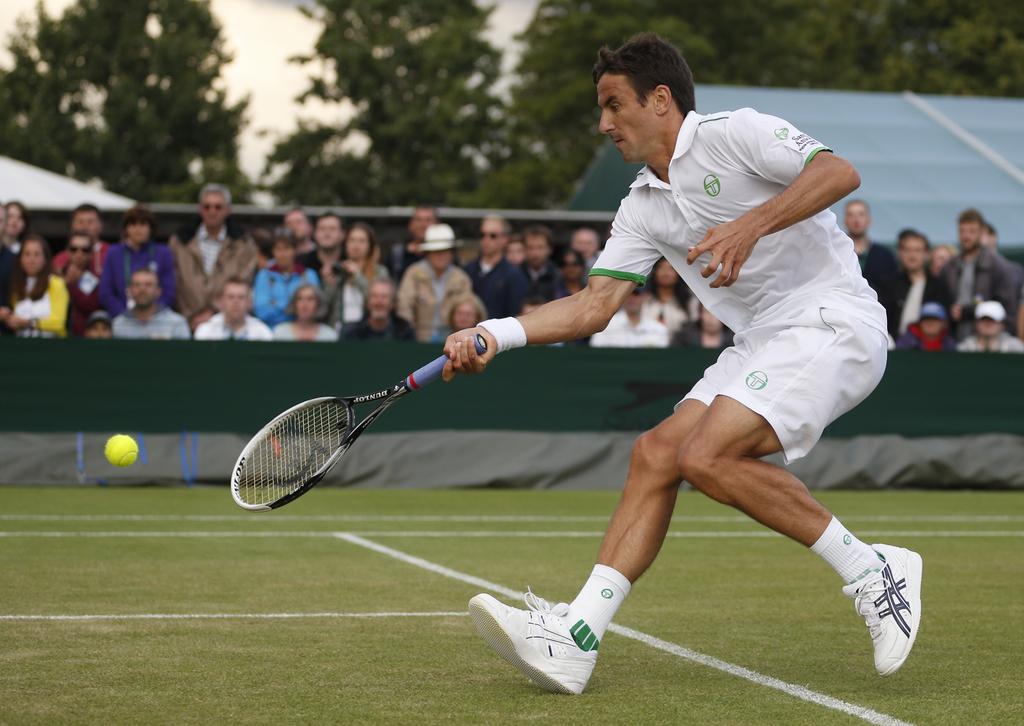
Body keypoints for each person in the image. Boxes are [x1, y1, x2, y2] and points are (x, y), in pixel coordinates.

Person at [443, 33, 921, 694]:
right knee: (657, 453)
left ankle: (873, 571)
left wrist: (750, 225)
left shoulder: (738, 133)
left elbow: (839, 173)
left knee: (707, 456)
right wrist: (495, 333)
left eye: (614, 105)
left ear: (660, 100)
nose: (603, 123)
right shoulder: (641, 206)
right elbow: (594, 305)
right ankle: (578, 637)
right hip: (761, 340)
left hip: (834, 320)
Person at [168, 183, 257, 331]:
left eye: (218, 207)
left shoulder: (244, 243)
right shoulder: (179, 241)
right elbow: (175, 281)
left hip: (227, 324)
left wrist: (213, 314)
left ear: (228, 210)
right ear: (199, 209)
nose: (212, 211)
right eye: (207, 206)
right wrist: (191, 317)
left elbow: (244, 281)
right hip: (185, 322)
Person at [940, 208, 1017, 340]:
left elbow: (1005, 305)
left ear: (981, 233)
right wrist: (950, 310)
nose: (966, 236)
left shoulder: (997, 266)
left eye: (971, 231)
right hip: (953, 338)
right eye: (962, 231)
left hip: (986, 340)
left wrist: (969, 311)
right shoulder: (949, 267)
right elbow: (941, 299)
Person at [396, 223, 473, 343]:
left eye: (445, 250)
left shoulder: (461, 278)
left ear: (452, 253)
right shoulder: (414, 273)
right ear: (428, 252)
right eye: (436, 251)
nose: (441, 255)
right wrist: (410, 332)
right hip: (419, 341)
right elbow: (404, 305)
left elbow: (467, 309)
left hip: (454, 341)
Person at [99, 205, 176, 317]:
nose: (138, 229)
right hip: (122, 318)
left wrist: (151, 314)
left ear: (151, 228)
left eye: (143, 224)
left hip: (156, 319)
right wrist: (124, 315)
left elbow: (169, 293)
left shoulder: (163, 253)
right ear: (126, 228)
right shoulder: (114, 252)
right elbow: (105, 293)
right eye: (133, 224)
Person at [878, 229, 952, 338]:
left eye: (917, 250)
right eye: (907, 250)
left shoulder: (939, 286)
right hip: (892, 346)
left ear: (926, 254)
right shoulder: (887, 285)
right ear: (900, 253)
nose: (912, 256)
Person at [1, 235, 68, 337]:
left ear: (45, 258)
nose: (31, 259)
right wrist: (8, 318)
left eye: (37, 254)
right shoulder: (16, 285)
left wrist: (29, 323)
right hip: (22, 346)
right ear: (20, 259)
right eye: (27, 254)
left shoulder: (56, 283)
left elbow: (59, 323)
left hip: (52, 347)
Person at [463, 215, 528, 319]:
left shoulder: (514, 275)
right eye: (482, 234)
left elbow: (515, 315)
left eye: (493, 235)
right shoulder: (467, 270)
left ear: (505, 239)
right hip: (469, 333)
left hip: (499, 333)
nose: (486, 239)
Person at [329, 222, 390, 332]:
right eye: (352, 240)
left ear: (370, 245)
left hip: (366, 333)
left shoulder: (380, 272)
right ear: (345, 244)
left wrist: (357, 276)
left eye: (362, 241)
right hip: (340, 331)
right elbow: (326, 307)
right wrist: (329, 282)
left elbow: (378, 301)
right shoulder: (339, 270)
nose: (356, 245)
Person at [252, 230, 320, 328]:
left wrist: (275, 304)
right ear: (273, 252)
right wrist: (295, 308)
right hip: (271, 333)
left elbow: (314, 310)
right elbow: (262, 311)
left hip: (302, 331)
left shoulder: (309, 275)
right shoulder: (263, 275)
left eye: (287, 249)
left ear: (295, 251)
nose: (282, 254)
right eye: (278, 249)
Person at [111, 269, 190, 340]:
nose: (142, 289)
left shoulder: (176, 323)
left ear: (158, 291)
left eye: (148, 285)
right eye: (137, 285)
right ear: (129, 291)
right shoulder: (118, 325)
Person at [194, 277, 273, 341]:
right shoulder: (205, 331)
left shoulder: (262, 332)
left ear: (249, 302)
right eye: (230, 297)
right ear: (221, 301)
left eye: (241, 297)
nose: (236, 302)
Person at [844, 199, 897, 293]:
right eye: (851, 215)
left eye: (861, 214)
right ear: (845, 221)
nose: (856, 220)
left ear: (869, 220)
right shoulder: (836, 253)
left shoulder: (885, 256)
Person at [60, 231, 106, 336]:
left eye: (85, 250)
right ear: (67, 251)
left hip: (83, 339)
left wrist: (71, 285)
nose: (79, 253)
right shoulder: (56, 274)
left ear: (91, 253)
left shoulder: (97, 278)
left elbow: (92, 307)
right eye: (74, 249)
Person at [589, 288, 669, 348]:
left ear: (644, 297)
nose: (632, 299)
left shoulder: (658, 329)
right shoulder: (605, 327)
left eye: (636, 294)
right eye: (627, 294)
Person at [344, 279, 415, 341]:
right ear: (368, 302)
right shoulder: (351, 333)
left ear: (393, 303)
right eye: (374, 296)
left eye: (384, 297)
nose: (379, 302)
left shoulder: (404, 332)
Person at [52, 204, 110, 275]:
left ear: (101, 225)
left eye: (90, 222)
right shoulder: (60, 259)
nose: (85, 226)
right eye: (80, 222)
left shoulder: (112, 254)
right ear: (71, 226)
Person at [643, 257, 691, 338]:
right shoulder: (644, 300)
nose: (666, 272)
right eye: (661, 267)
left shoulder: (689, 301)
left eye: (671, 268)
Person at [272, 284, 338, 342]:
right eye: (300, 299)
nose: (304, 304)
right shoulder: (280, 333)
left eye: (310, 299)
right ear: (294, 303)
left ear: (318, 304)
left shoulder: (329, 335)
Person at [389, 204, 437, 279]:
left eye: (428, 220)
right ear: (410, 225)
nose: (423, 225)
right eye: (418, 220)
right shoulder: (397, 255)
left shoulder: (448, 257)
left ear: (437, 224)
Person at [957, 301, 1024, 353]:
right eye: (983, 319)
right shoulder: (965, 347)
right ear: (976, 323)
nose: (988, 323)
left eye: (993, 320)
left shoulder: (1016, 348)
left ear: (1002, 324)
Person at [520, 225, 562, 302]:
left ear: (549, 249)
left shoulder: (558, 276)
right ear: (524, 249)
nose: (535, 253)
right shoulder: (515, 275)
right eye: (530, 247)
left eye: (540, 247)